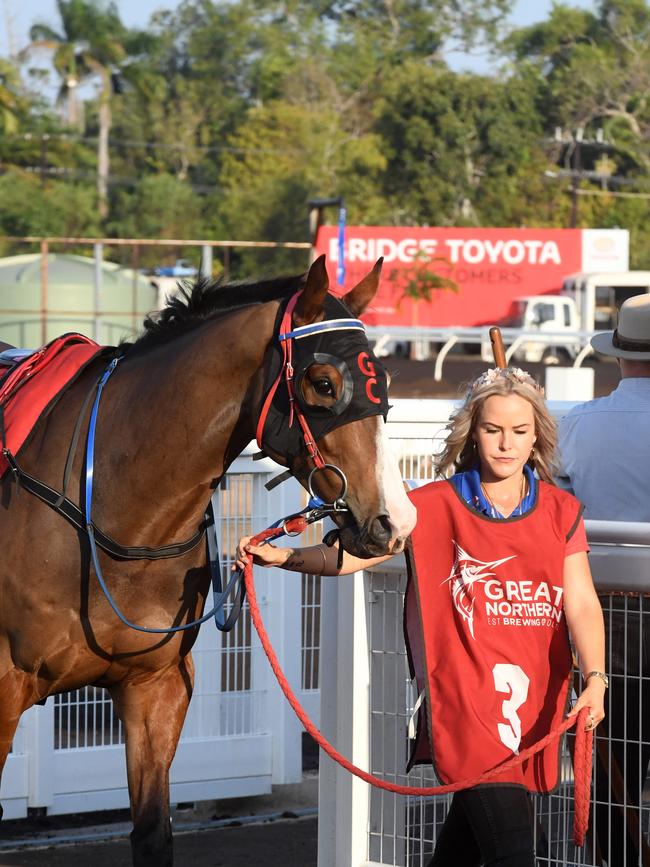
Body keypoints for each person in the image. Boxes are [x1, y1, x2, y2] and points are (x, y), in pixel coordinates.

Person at [236, 366, 606, 867]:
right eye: (492, 429)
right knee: (514, 850)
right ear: (472, 433)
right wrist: (288, 558)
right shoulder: (432, 504)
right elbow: (362, 554)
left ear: (536, 434)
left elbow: (581, 602)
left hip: (535, 703)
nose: (505, 444)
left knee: (469, 843)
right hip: (464, 704)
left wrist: (596, 678)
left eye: (519, 431)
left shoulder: (563, 511)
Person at [558, 293, 650, 866]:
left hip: (605, 609)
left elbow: (561, 513)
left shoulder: (580, 423)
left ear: (618, 356)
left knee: (612, 756)